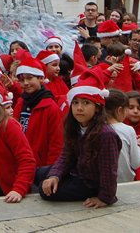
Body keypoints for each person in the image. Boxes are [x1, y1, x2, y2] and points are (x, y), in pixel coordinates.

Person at [39, 69, 120, 207]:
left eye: (86, 103)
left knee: (44, 190)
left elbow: (109, 170)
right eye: (75, 103)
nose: (79, 108)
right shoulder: (75, 126)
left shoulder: (106, 135)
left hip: (89, 183)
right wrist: (55, 176)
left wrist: (104, 198)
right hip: (76, 172)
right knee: (39, 173)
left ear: (98, 108)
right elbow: (66, 155)